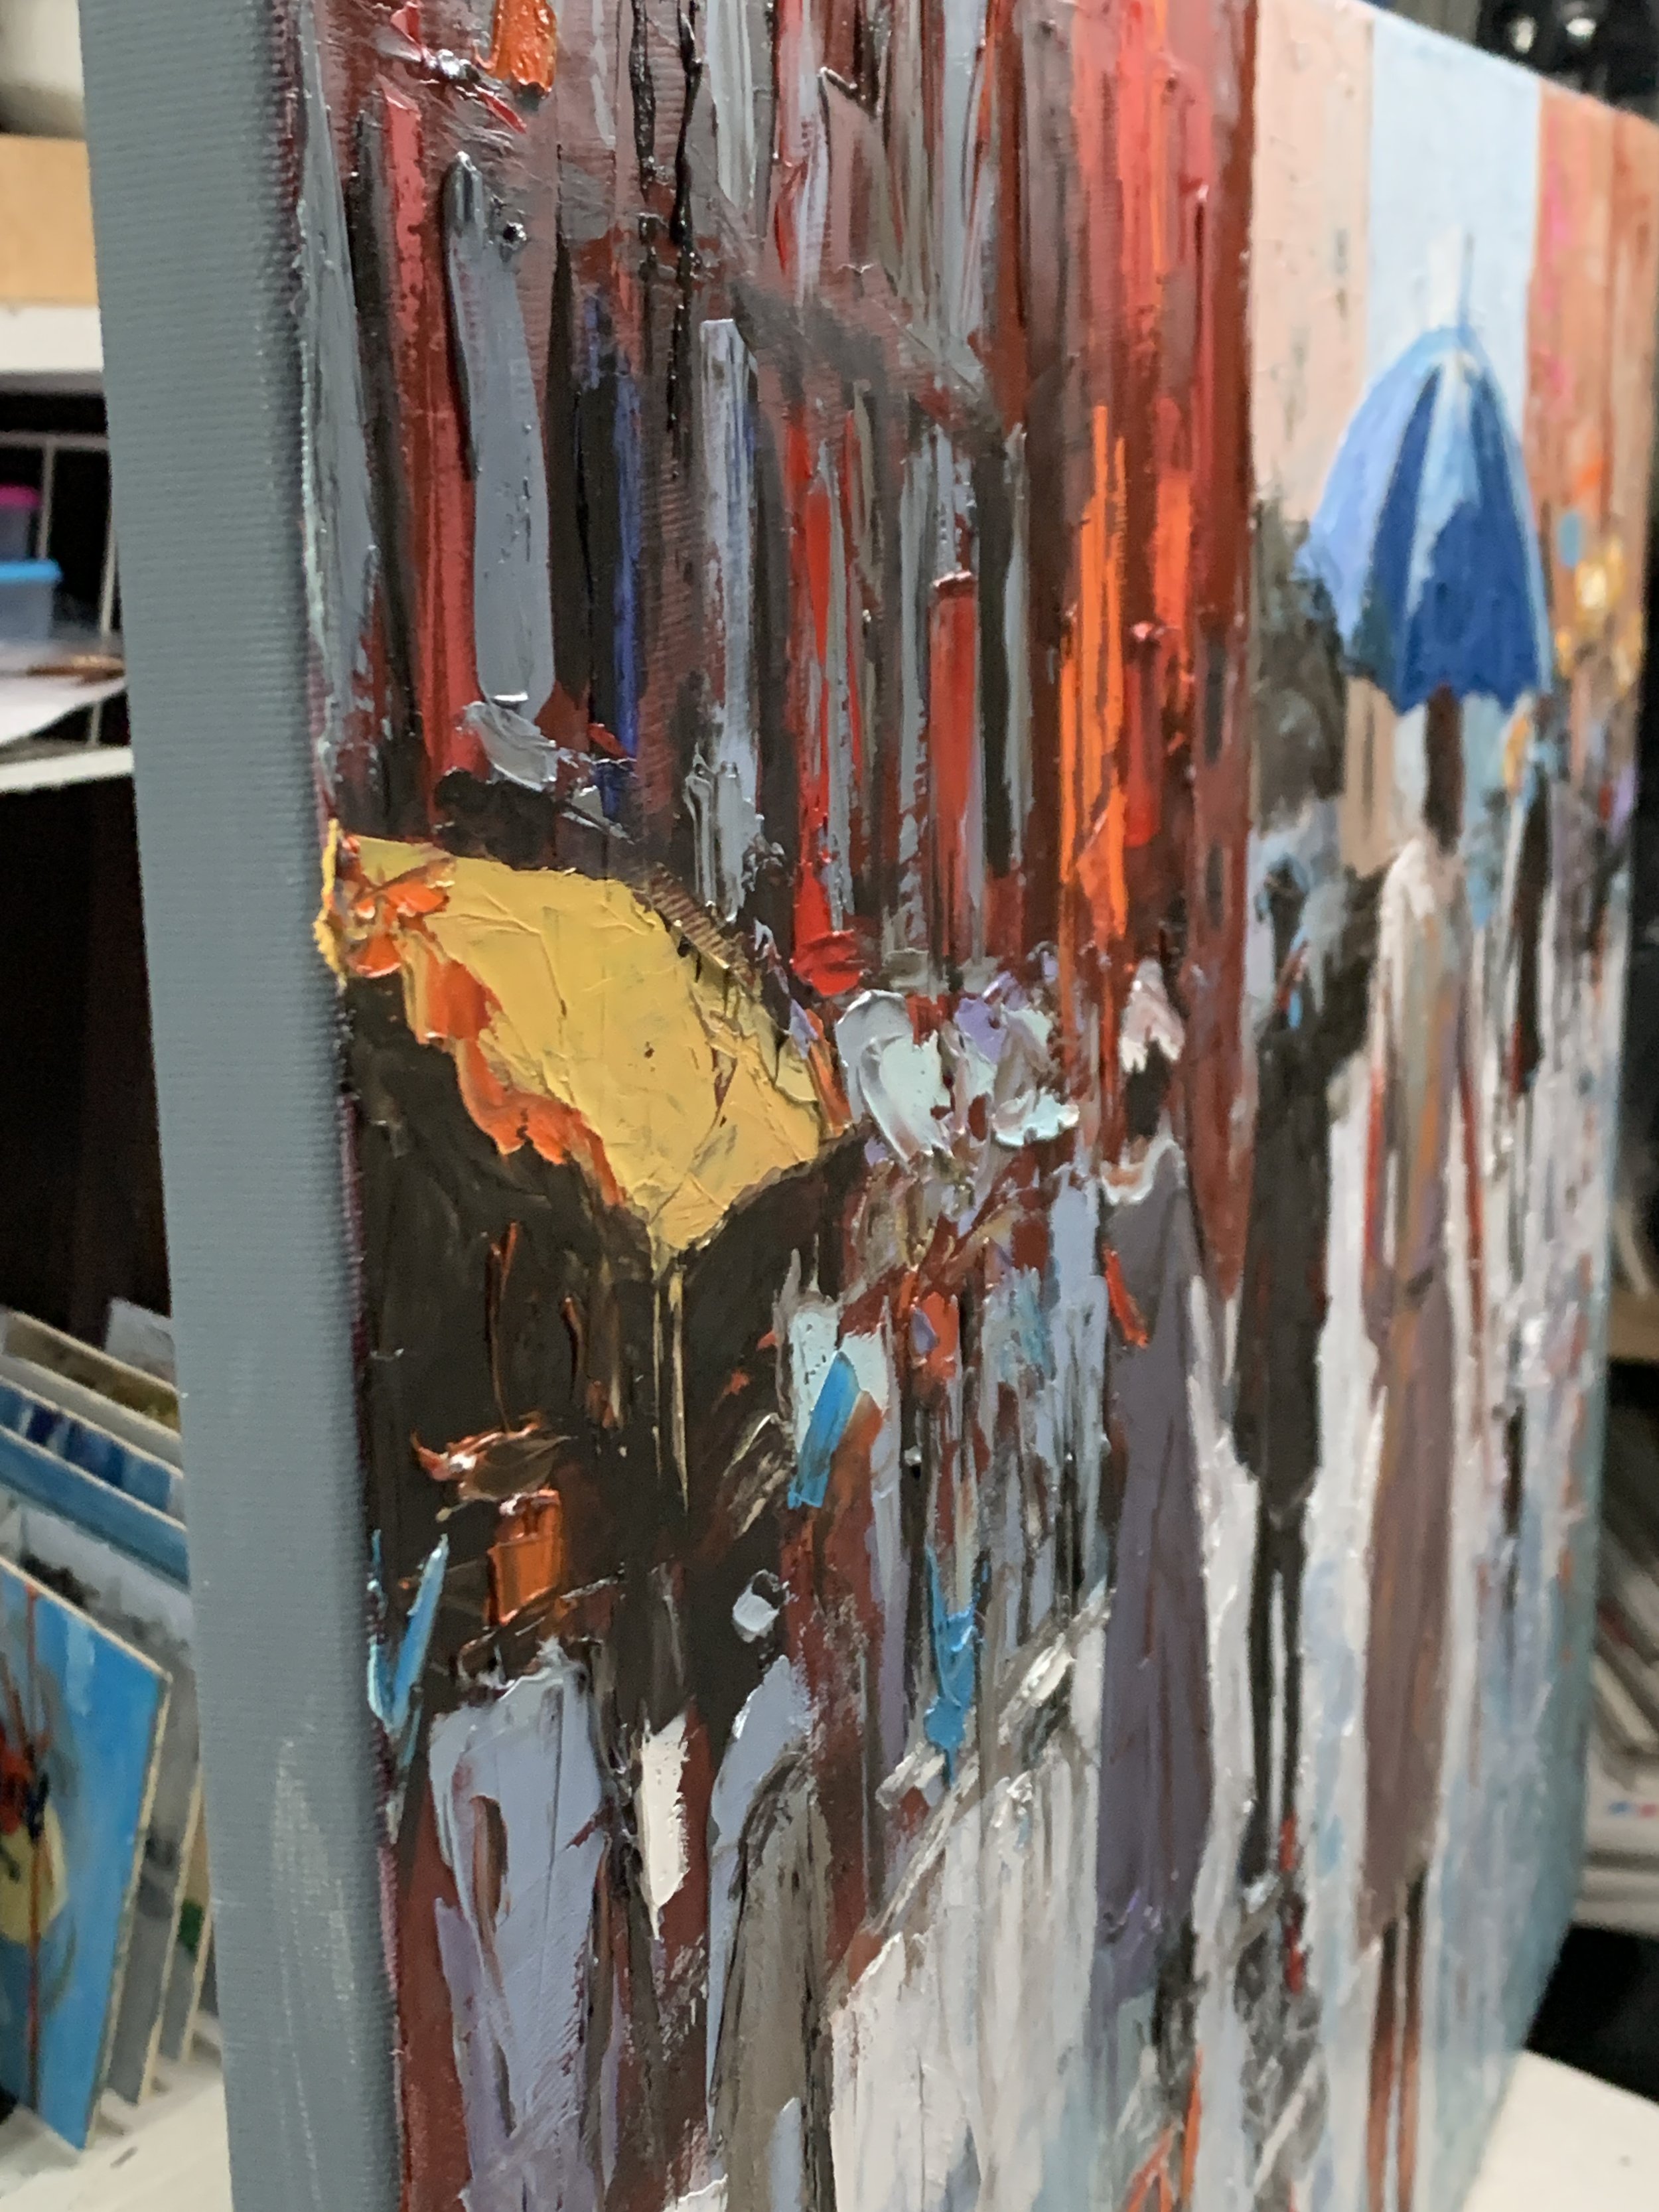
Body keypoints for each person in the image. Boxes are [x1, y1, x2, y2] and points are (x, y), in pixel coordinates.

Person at [1359, 685, 1485, 2212]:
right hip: (1427, 1306)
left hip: (1411, 1309)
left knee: (1409, 1596)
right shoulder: (1427, 902)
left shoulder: (1406, 904)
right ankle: (1400, 1843)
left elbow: (1412, 1104)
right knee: (1412, 1600)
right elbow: (1453, 1122)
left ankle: (1397, 1841)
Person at [1093, 959, 1213, 2209]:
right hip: (1149, 1547)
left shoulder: (1148, 1206)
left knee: (1165, 1763)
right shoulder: (1141, 1208)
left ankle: (1160, 2053)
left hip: (1158, 1545)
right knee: (1150, 1765)